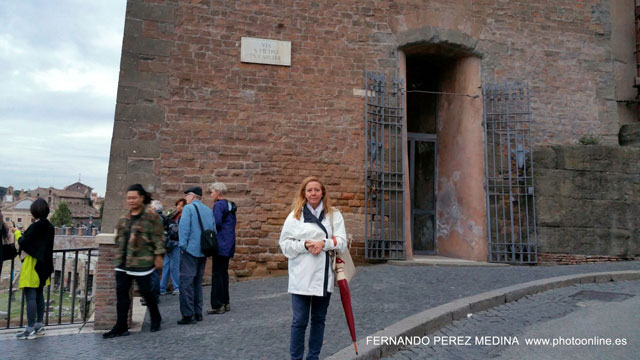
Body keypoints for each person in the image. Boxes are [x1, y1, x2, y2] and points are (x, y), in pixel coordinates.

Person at [279, 176, 347, 360]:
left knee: (318, 320)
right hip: (300, 275)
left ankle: (313, 357)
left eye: (317, 190)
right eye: (309, 190)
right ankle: (296, 358)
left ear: (323, 192)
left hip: (323, 275)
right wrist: (305, 246)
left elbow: (342, 242)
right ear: (304, 193)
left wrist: (322, 244)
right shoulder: (294, 216)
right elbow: (284, 245)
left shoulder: (334, 215)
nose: (313, 193)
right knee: (299, 320)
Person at [103, 184, 165, 338]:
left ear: (141, 198)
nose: (130, 200)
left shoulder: (151, 216)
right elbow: (119, 237)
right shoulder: (125, 217)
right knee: (122, 294)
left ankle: (155, 316)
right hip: (124, 262)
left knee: (146, 292)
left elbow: (159, 238)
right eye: (128, 198)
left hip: (142, 261)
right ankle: (121, 326)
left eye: (133, 197)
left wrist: (158, 256)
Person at [16, 198, 55, 340]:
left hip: (33, 265)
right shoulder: (50, 227)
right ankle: (39, 326)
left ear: (34, 211)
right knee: (39, 295)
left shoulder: (35, 226)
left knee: (30, 297)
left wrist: (17, 233)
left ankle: (30, 329)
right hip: (45, 266)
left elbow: (24, 243)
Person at [177, 186, 215, 324]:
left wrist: (183, 246)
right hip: (203, 250)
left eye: (187, 196)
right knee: (197, 282)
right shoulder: (208, 210)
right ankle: (198, 312)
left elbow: (184, 229)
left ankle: (188, 314)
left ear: (192, 196)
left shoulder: (188, 208)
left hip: (190, 250)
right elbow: (213, 229)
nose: (186, 198)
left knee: (186, 283)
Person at [207, 182, 237, 315]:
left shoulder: (218, 205)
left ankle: (218, 304)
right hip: (229, 243)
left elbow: (216, 223)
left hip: (220, 243)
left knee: (217, 275)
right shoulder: (229, 205)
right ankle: (226, 302)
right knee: (223, 274)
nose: (211, 194)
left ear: (218, 193)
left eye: (212, 192)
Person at [160, 198, 185, 296]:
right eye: (178, 205)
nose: (179, 207)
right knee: (166, 266)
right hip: (169, 244)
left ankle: (176, 287)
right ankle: (162, 288)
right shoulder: (173, 215)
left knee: (174, 266)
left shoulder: (183, 217)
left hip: (176, 244)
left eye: (182, 205)